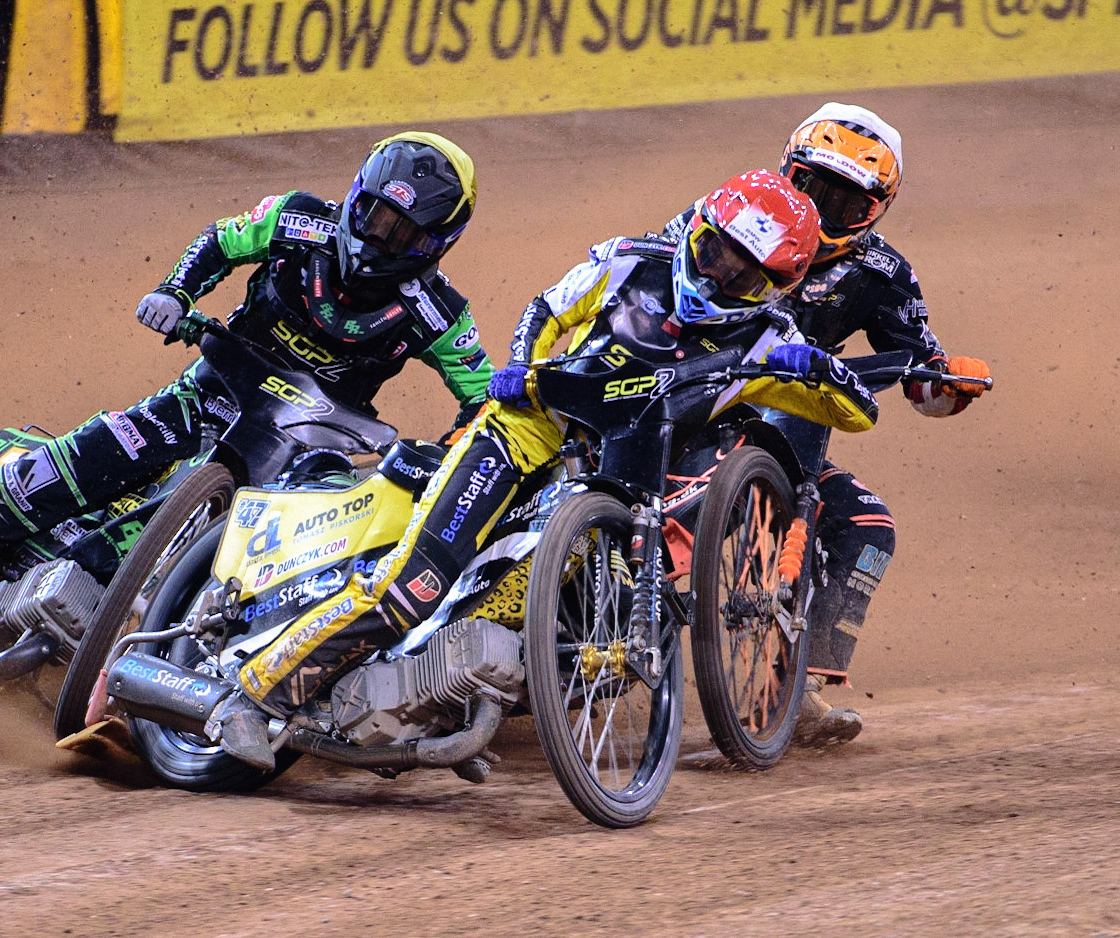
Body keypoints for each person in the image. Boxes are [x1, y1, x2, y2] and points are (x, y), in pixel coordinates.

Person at [208, 169, 881, 771]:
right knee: (409, 586)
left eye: (743, 277)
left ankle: (449, 700)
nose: (716, 280)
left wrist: (821, 368)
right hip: (523, 434)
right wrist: (521, 368)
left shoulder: (770, 338)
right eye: (712, 255)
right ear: (696, 231)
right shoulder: (627, 262)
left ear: (776, 287)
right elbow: (548, 308)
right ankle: (247, 696)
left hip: (623, 475)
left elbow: (856, 414)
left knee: (565, 614)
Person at [0, 131, 493, 625]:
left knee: (230, 572)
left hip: (292, 461)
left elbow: (483, 401)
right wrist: (175, 291)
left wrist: (452, 455)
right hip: (200, 399)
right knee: (51, 474)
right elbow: (220, 242)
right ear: (354, 199)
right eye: (374, 215)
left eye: (402, 232)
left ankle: (144, 661)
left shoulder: (442, 315)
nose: (379, 238)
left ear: (439, 241)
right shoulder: (295, 218)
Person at [663, 103, 993, 745]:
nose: (823, 210)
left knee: (869, 526)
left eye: (847, 203)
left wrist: (949, 386)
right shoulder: (729, 213)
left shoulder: (883, 273)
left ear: (878, 209)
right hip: (679, 409)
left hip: (793, 435)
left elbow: (922, 375)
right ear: (788, 169)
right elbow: (647, 286)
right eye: (813, 187)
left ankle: (793, 690)